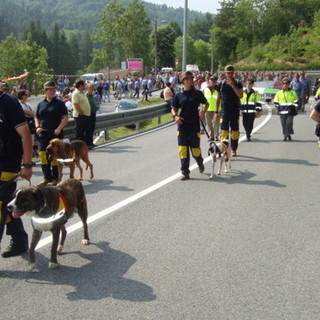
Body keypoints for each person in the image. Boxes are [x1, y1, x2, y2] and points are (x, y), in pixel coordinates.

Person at [0, 89, 32, 258]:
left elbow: (25, 135)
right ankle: (19, 240)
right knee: (7, 204)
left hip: (7, 164)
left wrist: (27, 164)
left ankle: (20, 240)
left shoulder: (8, 103)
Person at [171, 71, 209, 180]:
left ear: (192, 81)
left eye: (190, 79)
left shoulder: (197, 94)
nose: (188, 81)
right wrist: (175, 117)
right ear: (183, 81)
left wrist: (203, 112)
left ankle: (199, 161)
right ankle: (185, 172)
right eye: (186, 79)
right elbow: (173, 108)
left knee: (195, 149)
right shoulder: (178, 95)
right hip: (182, 126)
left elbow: (206, 103)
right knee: (183, 149)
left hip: (194, 125)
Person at [35, 81, 69, 185]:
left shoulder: (59, 103)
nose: (53, 91)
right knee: (42, 154)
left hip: (55, 134)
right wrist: (37, 126)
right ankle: (47, 177)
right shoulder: (41, 104)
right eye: (50, 89)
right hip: (44, 133)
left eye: (54, 89)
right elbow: (37, 116)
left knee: (55, 156)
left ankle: (56, 177)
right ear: (45, 91)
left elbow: (65, 118)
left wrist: (59, 128)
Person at [216, 65, 243, 157]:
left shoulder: (238, 83)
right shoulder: (221, 84)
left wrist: (233, 86)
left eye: (231, 72)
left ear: (233, 73)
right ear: (225, 73)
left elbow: (241, 95)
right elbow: (218, 98)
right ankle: (224, 149)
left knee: (235, 132)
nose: (230, 74)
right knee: (224, 132)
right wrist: (216, 112)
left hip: (235, 111)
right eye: (228, 73)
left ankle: (234, 149)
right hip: (224, 112)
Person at [17, 90, 38, 158]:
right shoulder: (20, 105)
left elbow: (33, 112)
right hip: (25, 124)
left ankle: (30, 158)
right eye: (26, 95)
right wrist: (33, 114)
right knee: (25, 142)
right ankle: (25, 158)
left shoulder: (28, 105)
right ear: (22, 96)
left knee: (31, 142)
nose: (27, 96)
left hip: (31, 125)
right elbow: (29, 113)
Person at [72, 79, 92, 147]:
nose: (85, 86)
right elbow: (76, 105)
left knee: (86, 131)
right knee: (79, 132)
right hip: (80, 116)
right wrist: (81, 113)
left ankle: (85, 145)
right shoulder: (76, 93)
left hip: (86, 115)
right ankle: (78, 146)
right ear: (80, 85)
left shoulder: (81, 93)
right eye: (84, 85)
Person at [203, 76, 220, 141]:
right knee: (208, 123)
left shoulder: (218, 89)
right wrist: (202, 109)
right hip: (207, 108)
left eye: (213, 80)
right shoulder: (205, 89)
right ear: (209, 81)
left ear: (216, 81)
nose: (212, 82)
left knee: (215, 123)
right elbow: (203, 99)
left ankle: (216, 136)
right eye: (211, 80)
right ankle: (211, 136)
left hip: (216, 109)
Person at [86, 83, 98, 148]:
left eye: (92, 88)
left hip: (93, 113)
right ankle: (88, 143)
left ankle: (91, 142)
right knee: (89, 129)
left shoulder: (92, 96)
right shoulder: (86, 96)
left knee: (92, 128)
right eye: (90, 88)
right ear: (87, 88)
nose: (91, 89)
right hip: (89, 114)